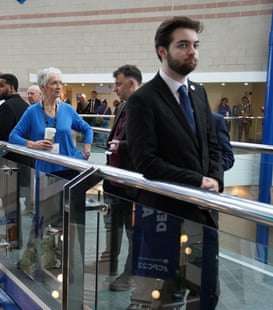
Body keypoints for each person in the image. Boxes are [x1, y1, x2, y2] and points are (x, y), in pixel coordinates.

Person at [126, 16, 223, 309]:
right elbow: (146, 161)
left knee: (205, 294)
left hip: (203, 215)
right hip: (164, 215)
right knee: (164, 298)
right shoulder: (143, 99)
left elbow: (213, 145)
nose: (192, 51)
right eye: (183, 45)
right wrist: (196, 182)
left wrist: (214, 180)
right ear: (162, 51)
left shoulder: (199, 93)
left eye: (195, 45)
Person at [9, 67, 93, 178]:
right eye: (54, 83)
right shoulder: (32, 112)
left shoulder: (67, 109)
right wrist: (33, 145)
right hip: (45, 170)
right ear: (43, 86)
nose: (59, 87)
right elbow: (13, 137)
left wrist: (87, 151)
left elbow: (87, 129)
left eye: (60, 83)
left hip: (70, 167)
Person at [101, 65, 142, 291]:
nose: (115, 88)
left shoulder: (146, 108)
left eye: (118, 84)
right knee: (113, 227)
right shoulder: (121, 109)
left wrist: (122, 146)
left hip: (132, 183)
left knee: (132, 231)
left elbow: (149, 144)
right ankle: (109, 263)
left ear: (132, 84)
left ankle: (130, 272)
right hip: (114, 181)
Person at [0, 73, 29, 142]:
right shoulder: (25, 104)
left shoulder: (6, 106)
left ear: (11, 88)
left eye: (1, 86)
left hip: (10, 149)